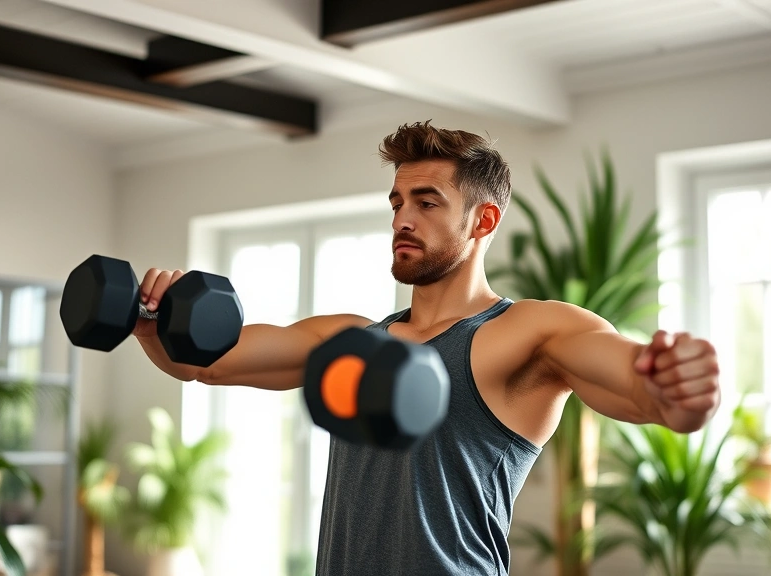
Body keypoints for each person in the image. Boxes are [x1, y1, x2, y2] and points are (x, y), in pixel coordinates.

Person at [133, 121, 722, 576]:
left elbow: (639, 387)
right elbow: (204, 365)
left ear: (483, 220)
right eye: (397, 202)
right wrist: (150, 327)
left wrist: (677, 389)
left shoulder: (528, 332)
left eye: (427, 201)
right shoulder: (350, 340)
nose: (402, 219)